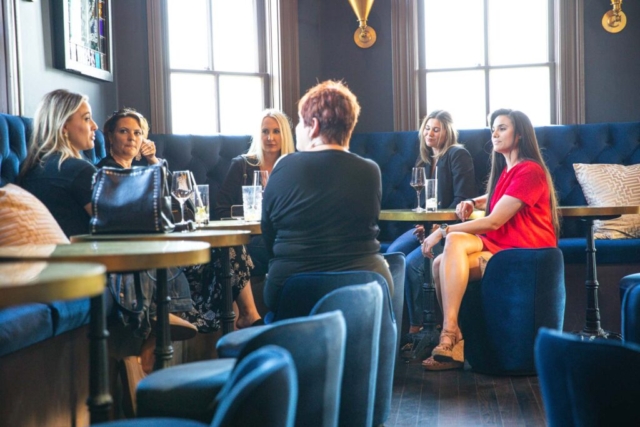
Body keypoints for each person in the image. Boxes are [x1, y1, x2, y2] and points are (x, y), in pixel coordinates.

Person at [99, 108, 262, 332]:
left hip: (168, 242)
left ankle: (247, 317)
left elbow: (176, 201)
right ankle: (241, 321)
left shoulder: (145, 168)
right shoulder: (106, 172)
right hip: (147, 251)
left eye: (137, 133)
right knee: (225, 256)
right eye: (123, 131)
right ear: (110, 136)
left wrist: (153, 160)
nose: (131, 138)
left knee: (230, 248)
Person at [420, 108, 560, 370]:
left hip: (524, 250)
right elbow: (496, 197)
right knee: (442, 259)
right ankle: (453, 334)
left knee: (448, 245)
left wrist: (442, 230)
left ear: (519, 135)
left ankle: (450, 338)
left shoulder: (530, 170)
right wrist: (473, 201)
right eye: (493, 129)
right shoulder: (507, 171)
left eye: (502, 128)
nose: (494, 134)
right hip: (501, 243)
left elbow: (494, 220)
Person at [262, 80, 393, 311]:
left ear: (313, 126)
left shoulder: (284, 166)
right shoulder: (370, 170)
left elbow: (268, 232)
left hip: (293, 289)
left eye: (300, 122)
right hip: (364, 289)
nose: (297, 129)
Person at [387, 110, 476, 342]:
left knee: (412, 264)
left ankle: (418, 328)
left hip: (451, 229)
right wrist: (423, 224)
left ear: (447, 132)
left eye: (436, 129)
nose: (430, 133)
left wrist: (438, 226)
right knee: (393, 255)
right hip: (429, 225)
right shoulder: (425, 161)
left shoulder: (457, 154)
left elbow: (462, 200)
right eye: (427, 128)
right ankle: (395, 323)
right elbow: (426, 204)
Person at [215, 109, 296, 276]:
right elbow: (221, 210)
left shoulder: (293, 168)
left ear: (285, 135)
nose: (270, 137)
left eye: (276, 131)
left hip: (283, 236)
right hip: (249, 239)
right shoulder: (241, 165)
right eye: (265, 131)